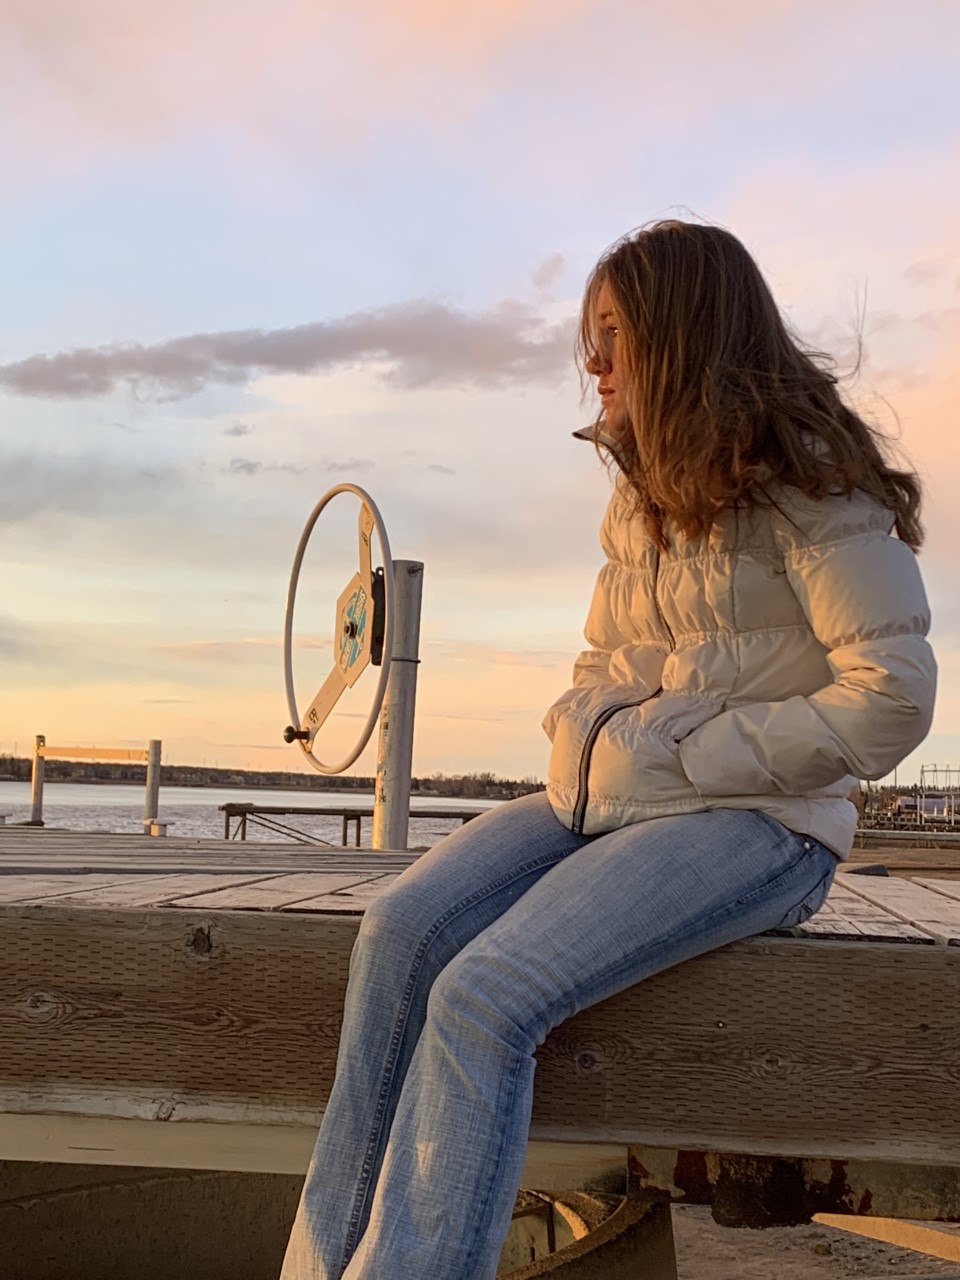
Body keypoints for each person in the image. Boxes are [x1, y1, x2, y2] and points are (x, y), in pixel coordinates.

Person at [280, 220, 937, 1280]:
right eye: (591, 335)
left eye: (613, 334)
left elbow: (890, 701)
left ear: (683, 337)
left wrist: (694, 752)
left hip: (768, 822)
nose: (592, 363)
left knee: (484, 993)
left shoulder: (816, 487)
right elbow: (607, 656)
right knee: (400, 926)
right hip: (624, 795)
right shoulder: (642, 492)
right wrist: (595, 733)